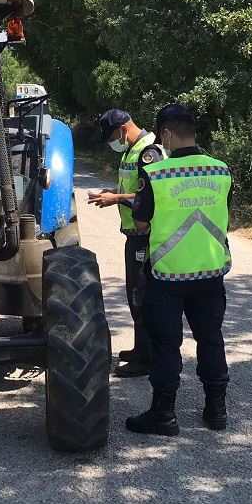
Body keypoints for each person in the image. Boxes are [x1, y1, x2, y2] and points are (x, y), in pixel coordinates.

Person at [126, 102, 232, 436]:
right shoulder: (221, 170)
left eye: (162, 137)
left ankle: (164, 414)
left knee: (166, 345)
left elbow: (141, 223)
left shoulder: (157, 174)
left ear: (168, 134)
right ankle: (216, 411)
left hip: (168, 276)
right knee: (211, 339)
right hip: (210, 273)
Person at [88, 109, 163, 377]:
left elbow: (153, 194)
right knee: (134, 294)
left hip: (145, 235)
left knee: (141, 297)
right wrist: (113, 194)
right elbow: (135, 188)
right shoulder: (130, 150)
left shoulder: (148, 151)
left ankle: (146, 359)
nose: (112, 141)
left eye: (111, 136)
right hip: (133, 233)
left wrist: (117, 199)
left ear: (122, 129)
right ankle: (139, 348)